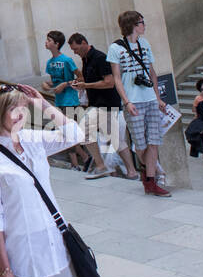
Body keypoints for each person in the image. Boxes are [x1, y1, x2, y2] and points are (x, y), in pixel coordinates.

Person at [0, 82, 86, 277]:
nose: (19, 115)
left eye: (22, 108)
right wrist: (5, 268)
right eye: (11, 109)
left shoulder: (33, 139)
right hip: (24, 255)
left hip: (57, 247)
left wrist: (43, 104)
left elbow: (75, 135)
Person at [107, 10, 172, 196]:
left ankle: (150, 181)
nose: (144, 25)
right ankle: (151, 173)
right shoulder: (115, 48)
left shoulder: (145, 44)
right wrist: (126, 101)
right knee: (141, 145)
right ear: (132, 25)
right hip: (133, 100)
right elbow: (117, 78)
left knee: (154, 141)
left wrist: (158, 97)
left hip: (150, 99)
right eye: (141, 22)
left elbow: (152, 72)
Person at [68, 33, 134, 180]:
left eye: (76, 48)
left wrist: (86, 85)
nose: (75, 52)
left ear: (84, 43)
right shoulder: (86, 59)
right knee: (117, 141)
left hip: (106, 105)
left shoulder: (99, 57)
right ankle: (131, 172)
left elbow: (109, 82)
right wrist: (80, 84)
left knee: (83, 131)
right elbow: (92, 79)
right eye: (73, 50)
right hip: (101, 105)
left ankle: (101, 166)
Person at [40, 30, 86, 170]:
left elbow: (81, 77)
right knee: (65, 132)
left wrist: (65, 84)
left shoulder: (67, 60)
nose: (46, 42)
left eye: (49, 40)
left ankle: (75, 163)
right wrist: (47, 85)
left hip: (70, 100)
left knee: (68, 133)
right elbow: (53, 81)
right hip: (59, 100)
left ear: (56, 43)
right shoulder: (50, 62)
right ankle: (85, 158)